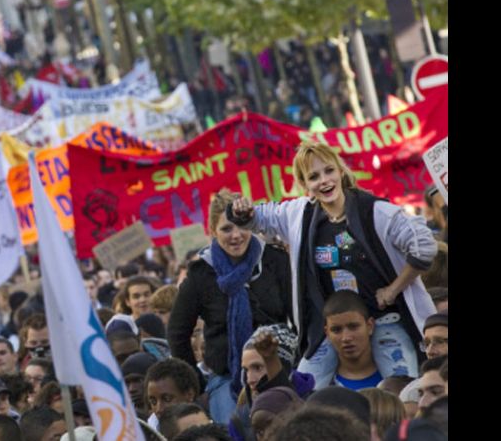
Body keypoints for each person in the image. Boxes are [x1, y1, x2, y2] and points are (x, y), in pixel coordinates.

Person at [232, 141, 437, 389]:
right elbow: (260, 220)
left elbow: (424, 247)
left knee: (406, 390)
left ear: (341, 171)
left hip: (385, 318)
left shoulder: (374, 211)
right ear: (305, 184)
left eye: (329, 171)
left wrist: (393, 290)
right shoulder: (299, 215)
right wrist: (242, 213)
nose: (324, 181)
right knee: (305, 394)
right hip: (330, 329)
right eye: (314, 176)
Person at [169, 189, 291, 424]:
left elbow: (298, 314)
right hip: (226, 378)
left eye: (241, 226)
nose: (236, 235)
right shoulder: (201, 274)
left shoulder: (274, 260)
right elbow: (177, 333)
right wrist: (197, 382)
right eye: (226, 229)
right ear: (212, 231)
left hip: (278, 370)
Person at [145, 358, 201, 431]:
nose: (159, 409)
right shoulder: (149, 433)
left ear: (189, 395)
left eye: (167, 399)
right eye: (153, 402)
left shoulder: (209, 434)